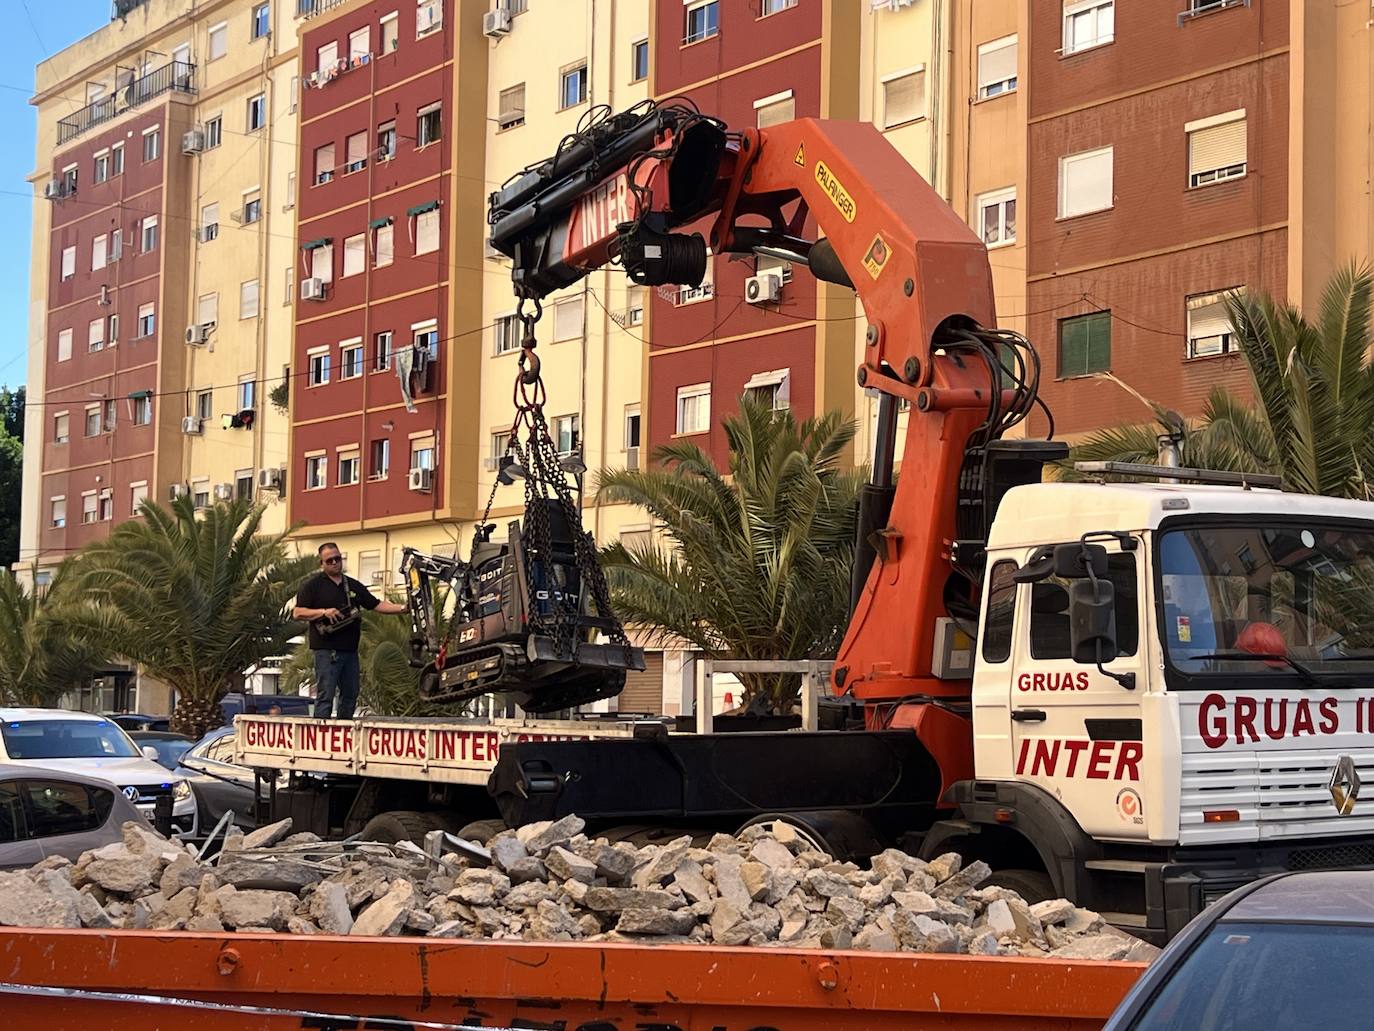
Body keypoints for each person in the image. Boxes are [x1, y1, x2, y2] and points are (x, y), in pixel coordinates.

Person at [293, 542, 408, 719]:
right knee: (326, 695)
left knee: (350, 694)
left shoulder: (352, 585)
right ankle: (321, 736)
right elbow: (298, 612)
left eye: (337, 559)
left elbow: (376, 604)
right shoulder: (313, 585)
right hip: (327, 650)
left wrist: (403, 608)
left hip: (350, 650)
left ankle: (343, 730)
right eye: (329, 560)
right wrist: (324, 612)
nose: (334, 563)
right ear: (321, 563)